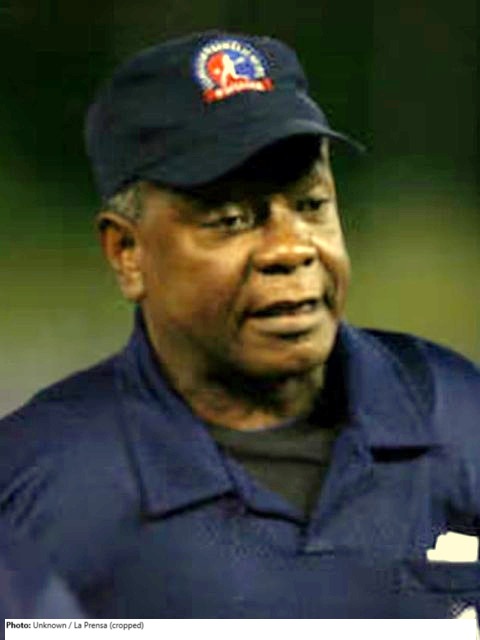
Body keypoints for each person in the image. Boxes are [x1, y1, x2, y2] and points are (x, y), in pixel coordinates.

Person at [0, 30, 478, 618]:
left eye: (311, 205)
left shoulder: (459, 419)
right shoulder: (35, 489)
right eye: (231, 219)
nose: (290, 248)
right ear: (128, 253)